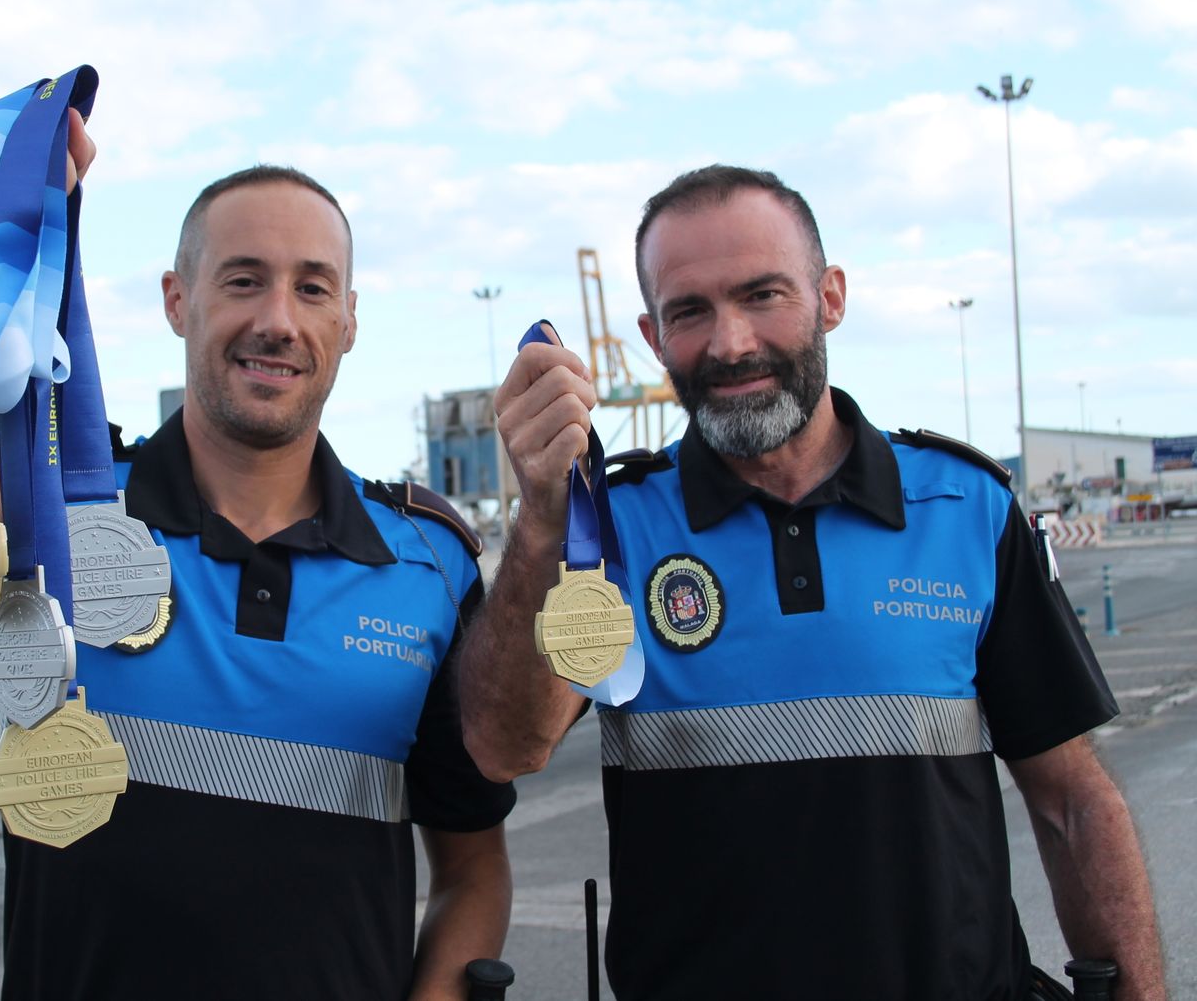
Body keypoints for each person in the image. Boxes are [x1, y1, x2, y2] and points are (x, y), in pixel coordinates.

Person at [461, 164, 1166, 1000]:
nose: (730, 344)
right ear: (653, 338)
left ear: (830, 297)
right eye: (691, 311)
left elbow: (1072, 803)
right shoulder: (612, 531)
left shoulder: (963, 507)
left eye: (763, 295)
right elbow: (508, 748)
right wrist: (546, 521)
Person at [0, 114, 514, 1000]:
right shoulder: (55, 512)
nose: (278, 320)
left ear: (349, 320)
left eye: (313, 288)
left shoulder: (429, 564)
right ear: (177, 299)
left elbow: (473, 869)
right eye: (243, 281)